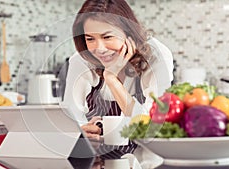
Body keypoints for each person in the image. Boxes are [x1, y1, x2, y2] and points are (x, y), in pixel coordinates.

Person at [62, 0, 173, 161]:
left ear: (129, 33)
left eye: (107, 37)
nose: (99, 48)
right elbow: (69, 122)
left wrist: (112, 80)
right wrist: (82, 139)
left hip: (144, 161)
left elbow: (152, 129)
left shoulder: (157, 56)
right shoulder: (81, 60)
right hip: (97, 162)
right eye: (90, 39)